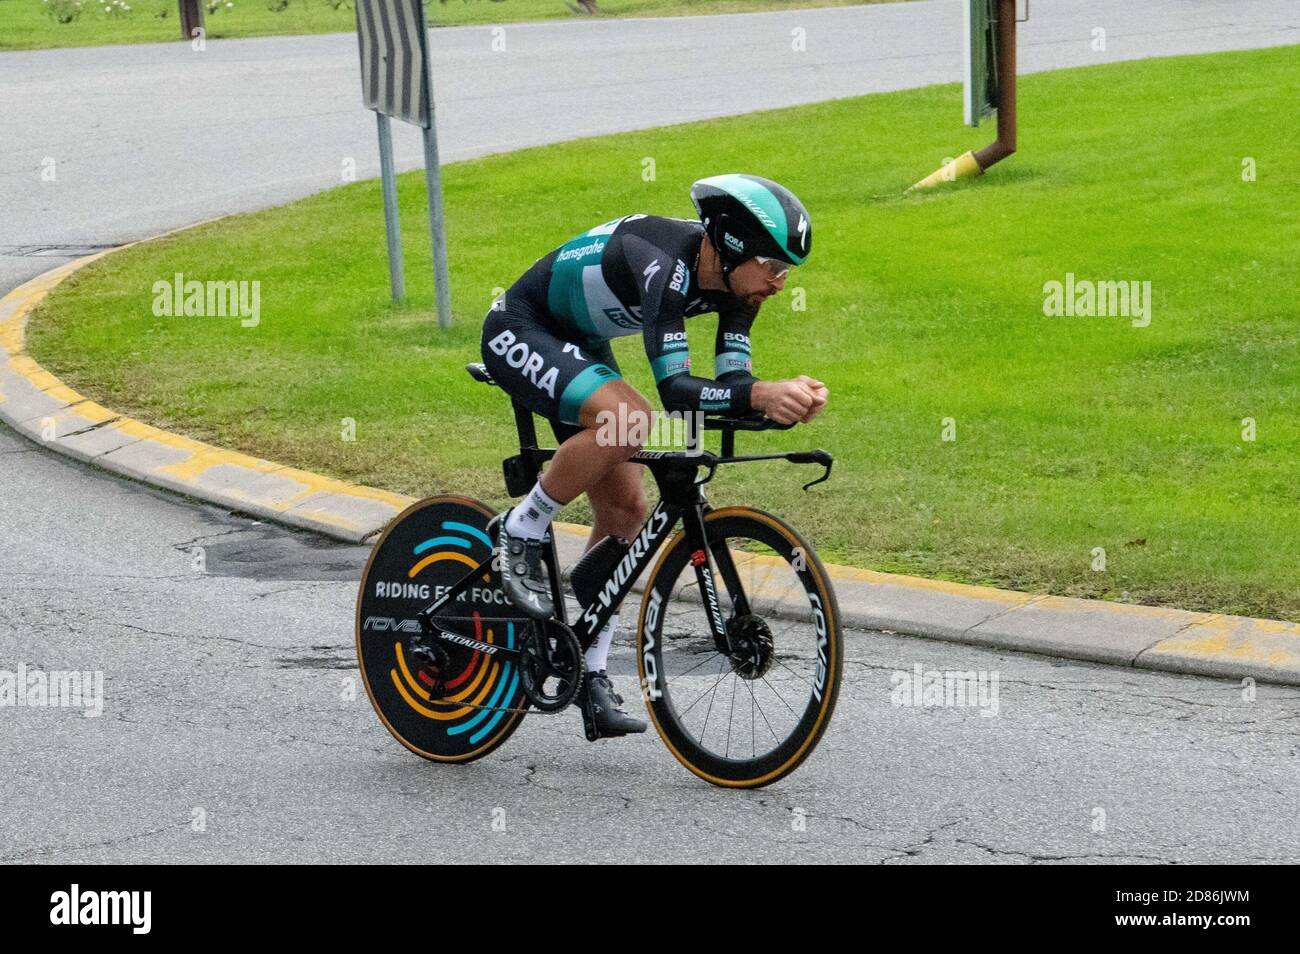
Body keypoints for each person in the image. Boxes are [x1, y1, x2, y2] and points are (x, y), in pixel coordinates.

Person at [481, 174, 827, 739]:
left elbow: (728, 383)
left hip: (578, 344)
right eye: (773, 265)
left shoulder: (740, 288)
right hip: (520, 327)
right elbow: (677, 394)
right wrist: (759, 394)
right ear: (732, 244)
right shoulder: (665, 262)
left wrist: (777, 402)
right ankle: (522, 526)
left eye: (787, 270)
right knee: (634, 422)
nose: (780, 283)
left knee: (626, 515)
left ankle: (586, 672)